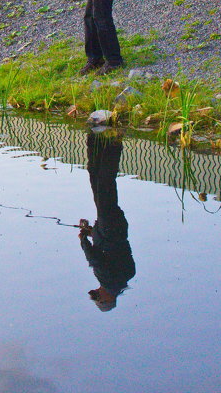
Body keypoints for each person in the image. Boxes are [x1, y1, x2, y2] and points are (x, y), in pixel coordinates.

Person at [79, 131, 135, 312]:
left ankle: (97, 139)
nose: (96, 293)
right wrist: (83, 240)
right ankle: (113, 141)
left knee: (97, 179)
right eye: (98, 298)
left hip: (115, 227)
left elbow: (109, 252)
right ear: (106, 299)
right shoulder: (109, 281)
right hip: (110, 227)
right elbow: (96, 259)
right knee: (104, 182)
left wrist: (92, 232)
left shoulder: (127, 276)